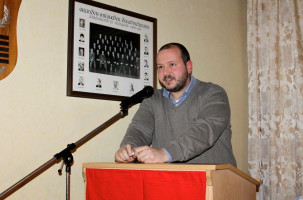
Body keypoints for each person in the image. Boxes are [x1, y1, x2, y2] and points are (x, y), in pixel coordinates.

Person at [115, 43, 237, 167]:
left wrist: (165, 154)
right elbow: (139, 129)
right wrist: (128, 149)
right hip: (171, 181)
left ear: (188, 67)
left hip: (216, 181)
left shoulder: (213, 93)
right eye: (160, 67)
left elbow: (204, 132)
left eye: (172, 65)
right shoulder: (152, 100)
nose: (166, 73)